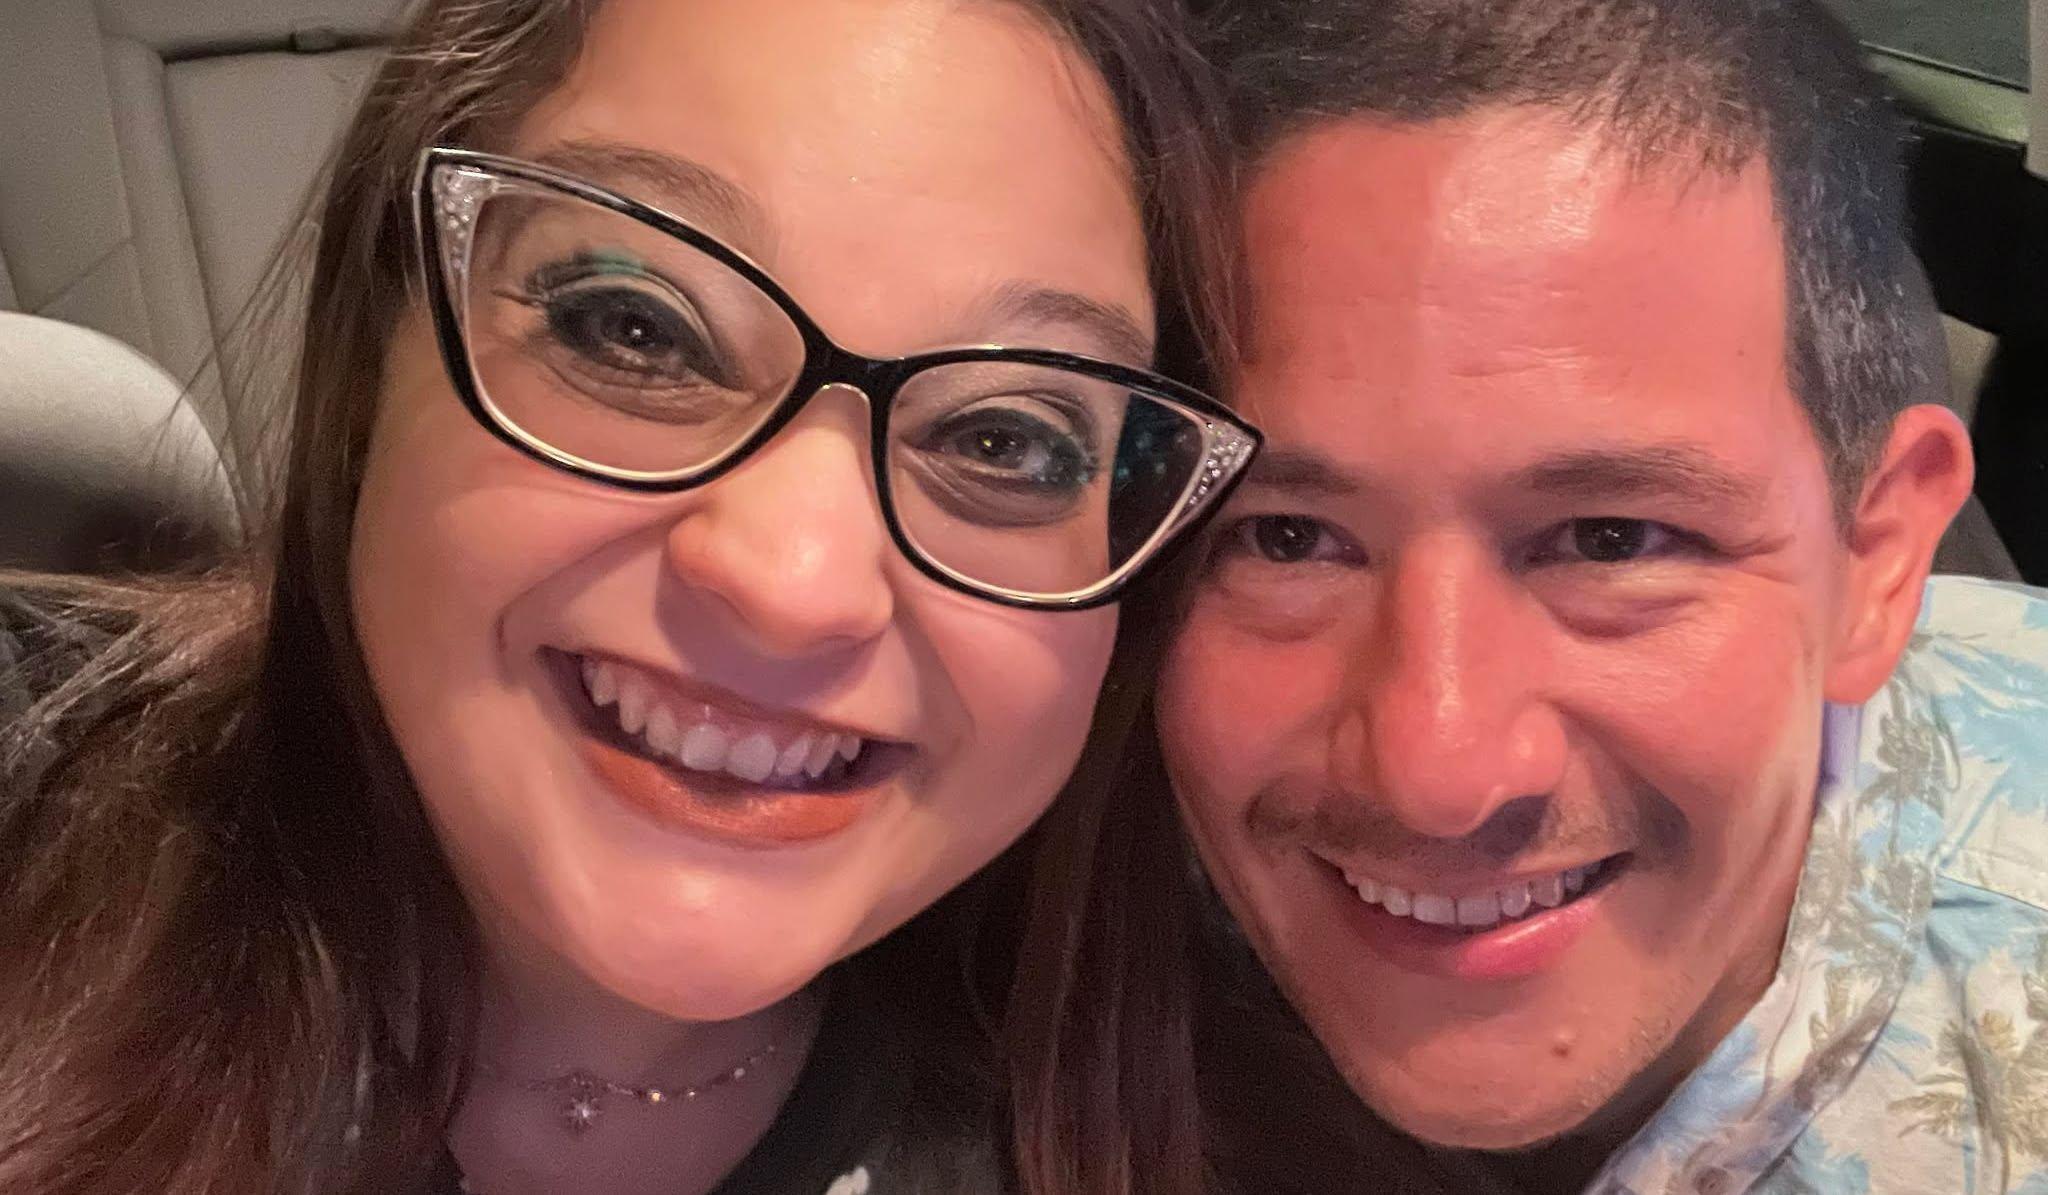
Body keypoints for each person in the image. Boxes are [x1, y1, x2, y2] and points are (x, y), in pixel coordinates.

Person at [0, 0, 1258, 1192]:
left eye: (1005, 442)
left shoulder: (1204, 1118)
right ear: (375, 357)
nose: (793, 584)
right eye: (634, 329)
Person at [1159, 0, 2048, 1191]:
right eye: (1285, 539)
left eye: (1609, 539)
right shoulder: (1040, 860)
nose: (1434, 774)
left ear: (1875, 561)